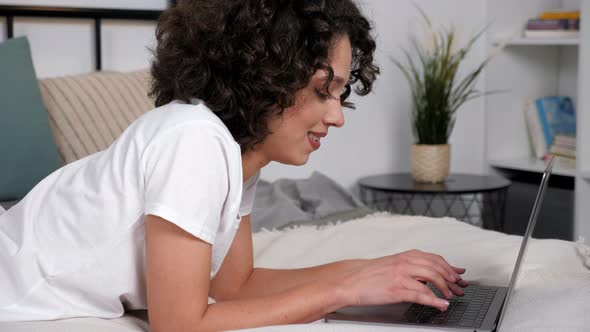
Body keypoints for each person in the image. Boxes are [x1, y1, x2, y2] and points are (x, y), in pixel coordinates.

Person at [0, 0, 468, 330]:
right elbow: (179, 325)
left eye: (341, 94)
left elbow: (235, 287)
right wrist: (346, 293)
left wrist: (371, 271)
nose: (337, 116)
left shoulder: (234, 153)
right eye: (323, 90)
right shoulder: (192, 139)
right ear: (267, 75)